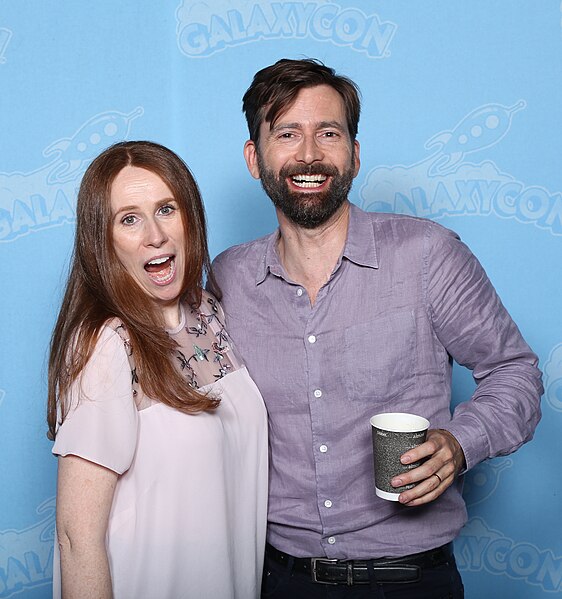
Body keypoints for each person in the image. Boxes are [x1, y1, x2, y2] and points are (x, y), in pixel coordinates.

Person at [209, 58, 543, 598]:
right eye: (287, 133)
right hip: (280, 581)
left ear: (355, 154)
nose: (310, 154)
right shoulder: (228, 279)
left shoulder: (427, 255)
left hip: (413, 579)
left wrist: (460, 443)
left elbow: (515, 371)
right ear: (255, 158)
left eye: (329, 133)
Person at [47, 140, 268, 599]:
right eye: (129, 219)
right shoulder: (107, 346)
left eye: (166, 209)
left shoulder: (209, 312)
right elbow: (76, 537)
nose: (155, 235)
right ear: (102, 241)